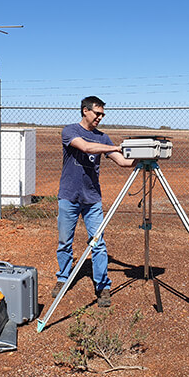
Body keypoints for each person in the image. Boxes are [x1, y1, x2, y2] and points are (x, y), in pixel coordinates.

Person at [52, 96, 135, 307]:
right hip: (69, 196)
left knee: (98, 243)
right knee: (64, 242)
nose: (100, 117)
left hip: (92, 199)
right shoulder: (70, 131)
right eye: (97, 113)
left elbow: (124, 162)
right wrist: (115, 148)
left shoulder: (103, 138)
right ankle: (63, 278)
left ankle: (102, 286)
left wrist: (144, 156)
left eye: (102, 114)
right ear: (85, 111)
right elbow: (86, 148)